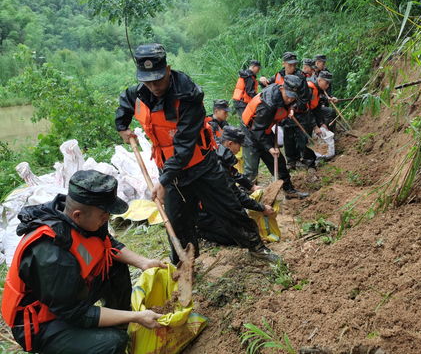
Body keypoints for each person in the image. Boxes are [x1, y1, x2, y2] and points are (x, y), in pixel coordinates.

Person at [115, 43, 278, 263]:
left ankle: (256, 247)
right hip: (172, 173)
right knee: (177, 221)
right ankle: (185, 265)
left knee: (229, 208)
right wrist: (122, 126)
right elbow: (126, 101)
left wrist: (163, 181)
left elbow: (184, 147)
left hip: (201, 166)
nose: (153, 86)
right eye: (148, 81)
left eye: (158, 80)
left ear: (168, 69)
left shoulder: (188, 95)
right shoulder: (141, 92)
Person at [1, 170, 165, 354]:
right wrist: (137, 316)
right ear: (77, 215)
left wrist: (144, 262)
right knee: (113, 343)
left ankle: (118, 323)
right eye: (104, 215)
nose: (107, 219)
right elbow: (75, 313)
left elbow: (107, 244)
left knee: (115, 265)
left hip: (69, 296)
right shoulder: (51, 253)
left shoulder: (86, 218)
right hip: (41, 324)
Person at [197, 126, 276, 245]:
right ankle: (202, 232)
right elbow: (236, 195)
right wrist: (262, 208)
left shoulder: (219, 151)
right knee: (240, 237)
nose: (239, 150)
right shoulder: (217, 164)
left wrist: (251, 186)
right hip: (205, 212)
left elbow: (234, 173)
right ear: (230, 143)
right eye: (239, 145)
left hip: (215, 202)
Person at [241, 75, 309, 199]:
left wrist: (290, 109)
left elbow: (288, 104)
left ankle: (288, 190)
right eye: (288, 96)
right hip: (250, 132)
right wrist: (269, 147)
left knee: (279, 162)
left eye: (293, 97)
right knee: (251, 170)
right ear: (282, 88)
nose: (290, 99)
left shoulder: (287, 97)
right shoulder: (268, 104)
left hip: (265, 130)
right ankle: (245, 198)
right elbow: (257, 130)